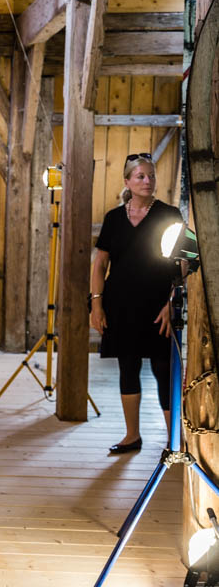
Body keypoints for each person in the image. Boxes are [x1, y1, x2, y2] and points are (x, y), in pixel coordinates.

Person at [89, 153, 182, 454]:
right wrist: (96, 305)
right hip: (121, 305)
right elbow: (100, 264)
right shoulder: (114, 218)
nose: (147, 181)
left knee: (163, 369)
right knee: (127, 367)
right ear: (127, 181)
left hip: (159, 307)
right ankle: (132, 436)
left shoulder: (170, 214)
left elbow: (187, 262)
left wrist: (172, 303)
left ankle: (174, 441)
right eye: (140, 176)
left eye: (151, 176)